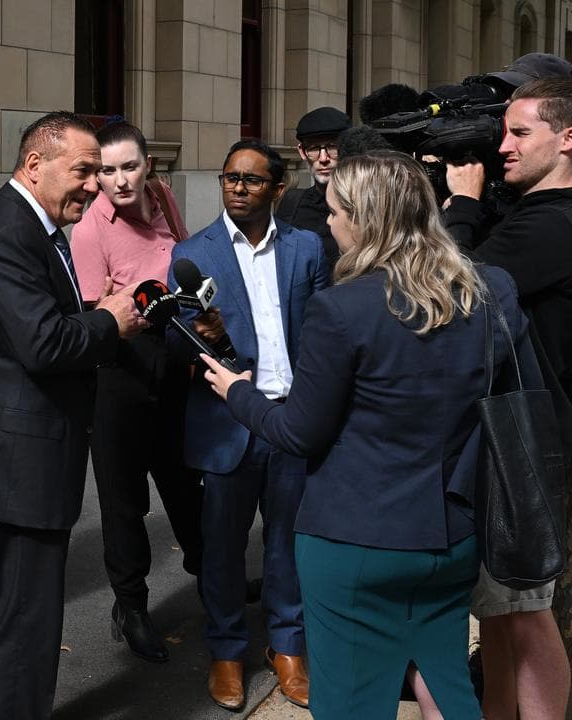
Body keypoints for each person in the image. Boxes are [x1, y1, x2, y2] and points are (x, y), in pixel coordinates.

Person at [200, 150, 542, 720]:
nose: (328, 222)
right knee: (448, 686)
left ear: (365, 218)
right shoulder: (490, 292)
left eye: (335, 211)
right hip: (453, 535)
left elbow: (298, 432)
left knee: (351, 703)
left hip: (354, 541)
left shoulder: (341, 310)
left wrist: (237, 392)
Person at [0, 111, 147, 720]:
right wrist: (112, 319)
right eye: (83, 170)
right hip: (18, 457)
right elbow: (45, 343)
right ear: (35, 164)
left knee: (18, 610)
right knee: (24, 615)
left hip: (27, 450)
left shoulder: (30, 224)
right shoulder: (8, 230)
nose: (96, 184)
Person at [169, 139, 328, 711]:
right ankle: (227, 650)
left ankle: (287, 648)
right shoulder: (194, 252)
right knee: (223, 549)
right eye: (229, 178)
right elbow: (170, 338)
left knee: (288, 543)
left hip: (292, 419)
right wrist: (200, 337)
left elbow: (323, 329)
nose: (237, 187)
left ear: (277, 189)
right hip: (228, 424)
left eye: (251, 180)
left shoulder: (308, 248)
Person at [441, 76, 572, 720]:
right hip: (521, 442)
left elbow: (456, 292)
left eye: (520, 133)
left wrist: (460, 206)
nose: (503, 147)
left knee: (527, 614)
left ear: (568, 138)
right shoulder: (532, 215)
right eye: (503, 132)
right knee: (501, 612)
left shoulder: (554, 224)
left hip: (536, 451)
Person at [69, 120, 202, 663]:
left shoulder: (164, 199)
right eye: (106, 170)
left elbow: (187, 260)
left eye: (129, 167)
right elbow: (87, 319)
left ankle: (212, 581)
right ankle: (132, 607)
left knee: (185, 484)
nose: (119, 180)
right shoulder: (89, 228)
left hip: (172, 362)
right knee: (124, 504)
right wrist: (111, 308)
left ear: (149, 166)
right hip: (118, 373)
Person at [275, 106, 352, 266]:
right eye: (314, 149)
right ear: (302, 152)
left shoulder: (364, 203)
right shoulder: (291, 203)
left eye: (332, 147)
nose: (323, 158)